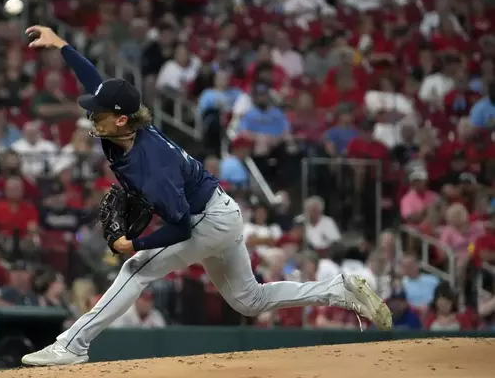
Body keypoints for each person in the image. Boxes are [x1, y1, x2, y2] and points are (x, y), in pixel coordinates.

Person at [20, 25, 392, 367]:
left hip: (204, 221)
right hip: (220, 212)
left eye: (96, 113)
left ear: (119, 120)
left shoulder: (151, 166)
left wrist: (137, 244)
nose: (90, 117)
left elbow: (181, 227)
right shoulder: (129, 127)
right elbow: (97, 83)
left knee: (136, 269)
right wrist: (64, 45)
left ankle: (73, 345)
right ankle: (338, 289)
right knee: (250, 300)